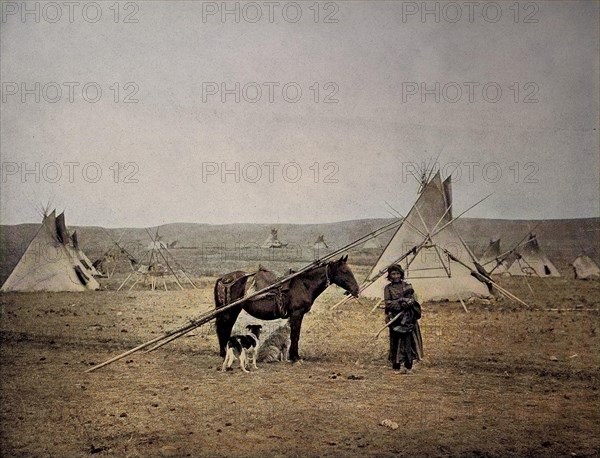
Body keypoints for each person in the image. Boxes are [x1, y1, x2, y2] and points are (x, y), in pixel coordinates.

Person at [383, 264, 422, 374]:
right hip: (395, 318)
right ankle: (396, 366)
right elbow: (388, 303)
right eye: (393, 274)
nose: (396, 276)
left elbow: (413, 299)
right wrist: (400, 303)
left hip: (408, 318)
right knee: (395, 342)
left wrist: (409, 303)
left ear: (401, 274)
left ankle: (408, 365)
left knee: (409, 342)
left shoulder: (407, 286)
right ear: (390, 275)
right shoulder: (388, 288)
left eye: (398, 273)